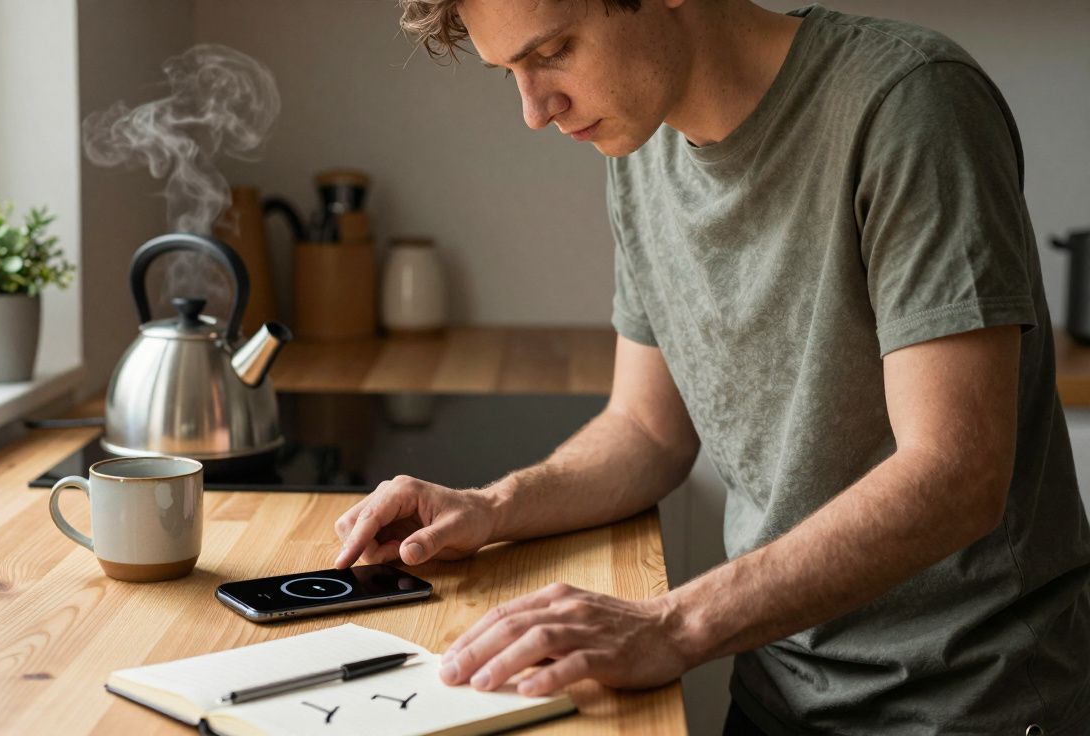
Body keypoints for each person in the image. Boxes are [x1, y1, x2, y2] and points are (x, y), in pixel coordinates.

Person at [332, 1, 1090, 733]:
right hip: (776, 684)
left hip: (968, 702)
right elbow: (646, 431)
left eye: (552, 52)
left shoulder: (911, 103)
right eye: (511, 72)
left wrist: (673, 623)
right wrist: (493, 507)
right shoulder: (639, 144)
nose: (536, 109)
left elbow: (956, 475)